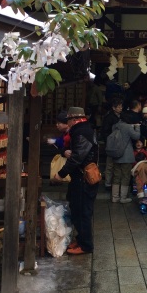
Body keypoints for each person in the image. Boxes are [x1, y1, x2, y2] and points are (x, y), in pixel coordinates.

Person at [53, 107, 99, 255]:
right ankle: (81, 240)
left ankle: (86, 246)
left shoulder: (81, 132)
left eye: (68, 120)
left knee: (82, 212)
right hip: (80, 177)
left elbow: (77, 157)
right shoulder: (84, 129)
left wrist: (61, 174)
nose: (67, 123)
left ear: (73, 120)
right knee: (77, 209)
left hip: (83, 178)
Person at [111, 109, 141, 203]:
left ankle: (115, 197)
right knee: (125, 176)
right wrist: (137, 127)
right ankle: (123, 198)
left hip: (116, 154)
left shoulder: (115, 126)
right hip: (126, 155)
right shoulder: (128, 127)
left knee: (116, 176)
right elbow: (136, 136)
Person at [100, 98, 123, 189]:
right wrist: (109, 140)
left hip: (119, 143)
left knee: (116, 165)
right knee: (110, 165)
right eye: (119, 107)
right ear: (114, 108)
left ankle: (114, 183)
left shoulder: (121, 116)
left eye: (121, 107)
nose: (120, 108)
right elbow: (104, 132)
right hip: (111, 143)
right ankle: (108, 183)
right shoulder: (109, 118)